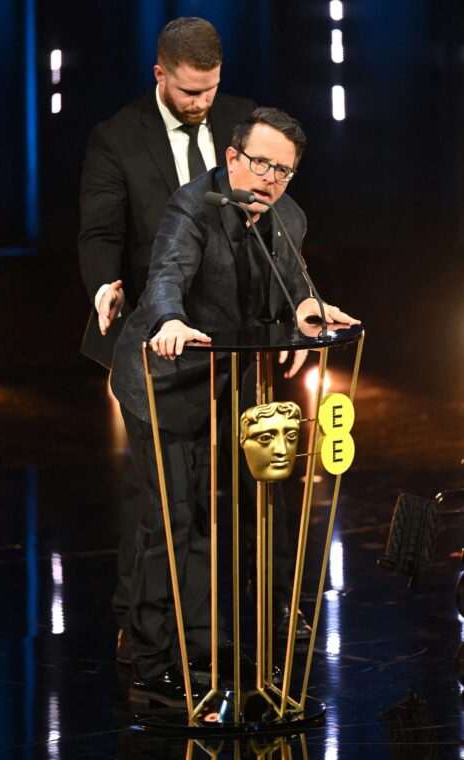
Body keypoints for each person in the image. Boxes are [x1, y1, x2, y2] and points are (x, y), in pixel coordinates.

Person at [110, 107, 360, 705]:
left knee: (244, 508)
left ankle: (236, 632)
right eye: (260, 164)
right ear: (231, 158)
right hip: (163, 377)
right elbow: (168, 272)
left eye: (283, 170)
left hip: (231, 381)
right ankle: (149, 657)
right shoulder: (191, 206)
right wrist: (168, 317)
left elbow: (294, 281)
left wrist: (304, 308)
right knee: (171, 520)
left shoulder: (287, 214)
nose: (269, 179)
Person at [78, 17, 256, 664]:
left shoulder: (243, 124)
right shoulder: (117, 137)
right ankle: (141, 624)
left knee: (230, 484)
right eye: (187, 91)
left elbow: (274, 218)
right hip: (150, 335)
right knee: (157, 489)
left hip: (231, 335)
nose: (201, 102)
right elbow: (100, 234)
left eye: (209, 89)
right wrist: (105, 285)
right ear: (160, 74)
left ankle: (224, 621)